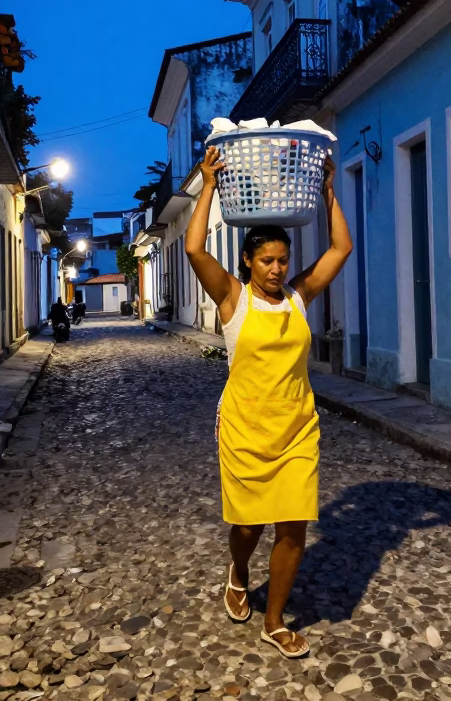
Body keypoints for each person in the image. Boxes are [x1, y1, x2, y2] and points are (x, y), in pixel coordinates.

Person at [185, 144, 353, 659]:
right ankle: (238, 571)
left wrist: (327, 191)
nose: (278, 269)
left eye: (283, 260)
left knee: (294, 523)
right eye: (267, 260)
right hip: (244, 426)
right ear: (248, 260)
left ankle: (275, 619)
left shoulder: (300, 298)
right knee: (249, 524)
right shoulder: (233, 298)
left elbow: (340, 250)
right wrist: (209, 184)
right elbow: (194, 250)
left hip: (298, 426)